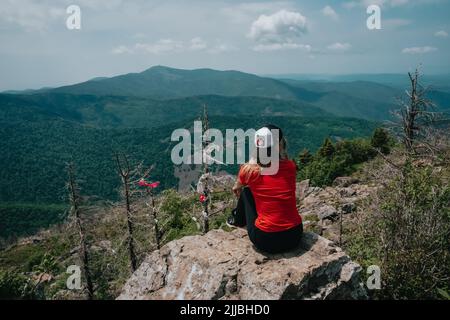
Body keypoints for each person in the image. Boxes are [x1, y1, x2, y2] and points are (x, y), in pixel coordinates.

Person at [227, 124, 303, 254]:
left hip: (266, 240)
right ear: (279, 145)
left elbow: (236, 187)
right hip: (295, 235)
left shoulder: (250, 171)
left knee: (246, 192)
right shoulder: (290, 166)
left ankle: (237, 221)